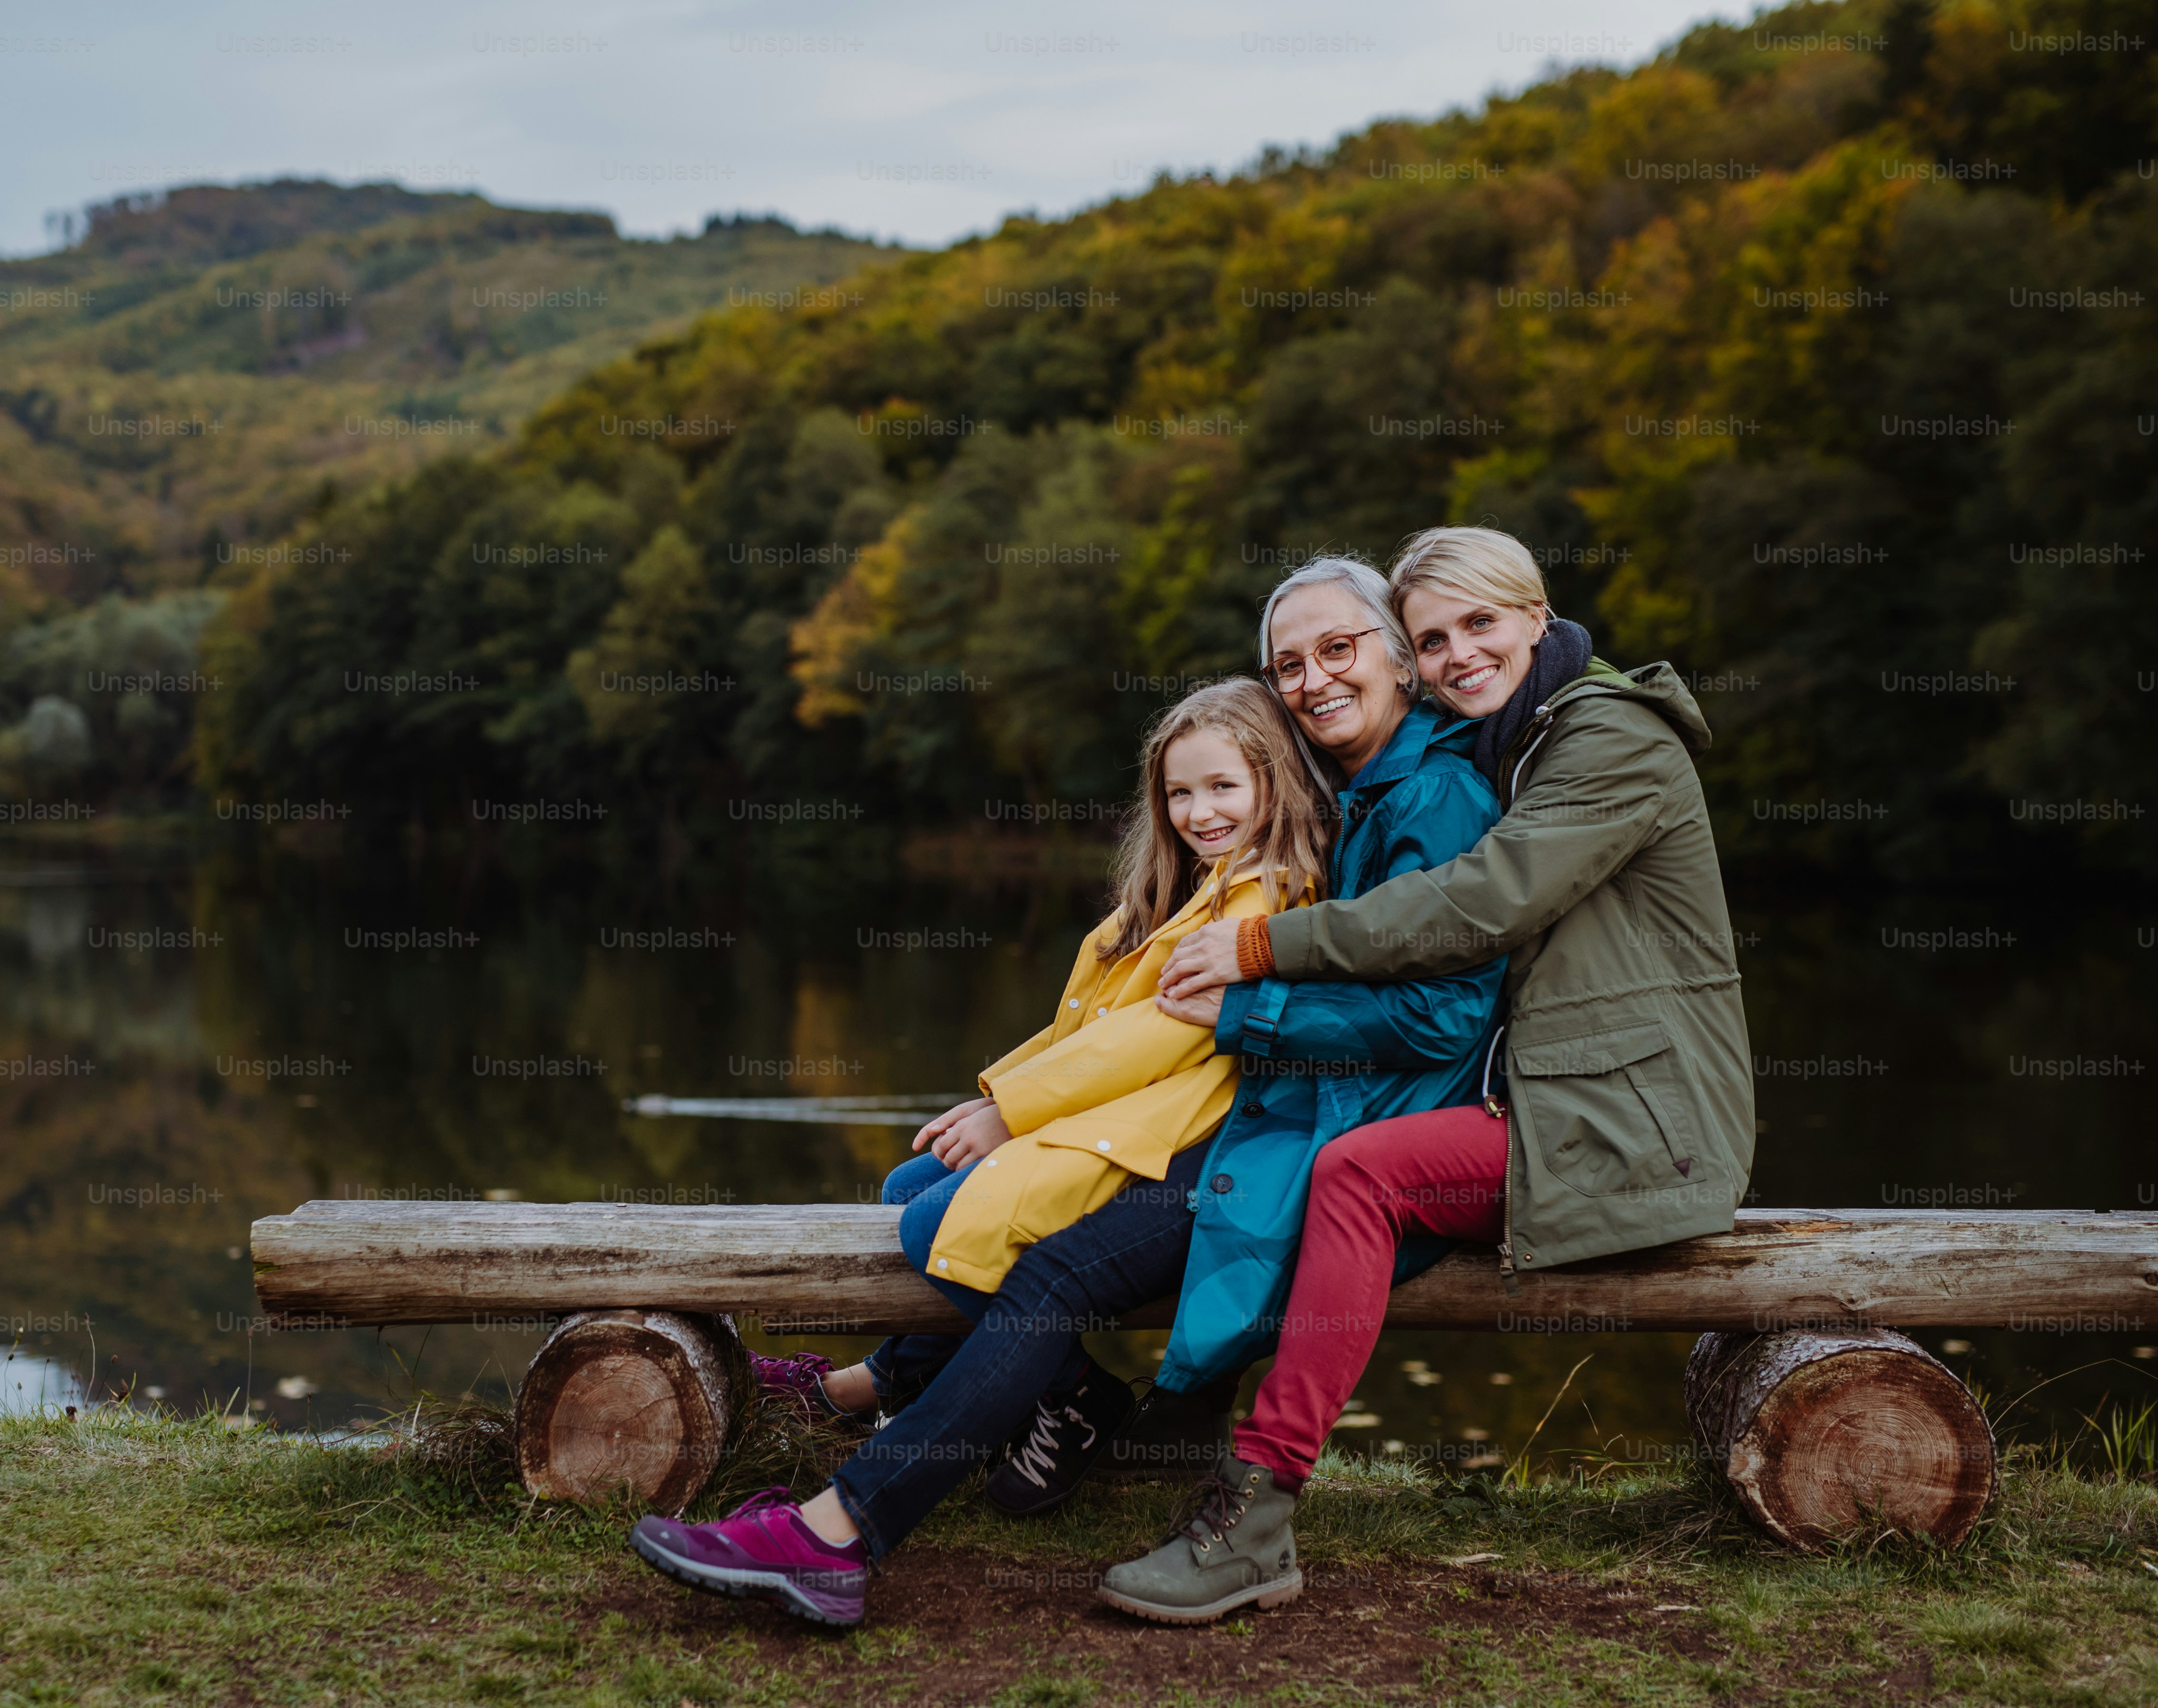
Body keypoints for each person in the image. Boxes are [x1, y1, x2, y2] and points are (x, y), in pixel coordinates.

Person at [629, 557, 1503, 1627]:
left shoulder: (1423, 799)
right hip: (1272, 1123)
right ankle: (939, 1433)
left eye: (1339, 649)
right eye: (1290, 664)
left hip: (1320, 1140)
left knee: (1040, 1270)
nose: (1315, 678)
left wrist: (1228, 1011)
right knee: (997, 1237)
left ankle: (840, 1528)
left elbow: (1427, 1018)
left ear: (1399, 659)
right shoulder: (1352, 801)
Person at [1096, 526, 1753, 1624]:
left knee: (1359, 1171)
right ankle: (1164, 1410)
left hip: (1636, 1123)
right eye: (1432, 637)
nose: (1455, 656)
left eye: (1479, 625)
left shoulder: (1612, 742)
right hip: (1554, 1099)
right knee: (1285, 1155)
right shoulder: (1515, 738)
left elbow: (1479, 901)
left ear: (1538, 619)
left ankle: (1254, 1512)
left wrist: (1266, 953)